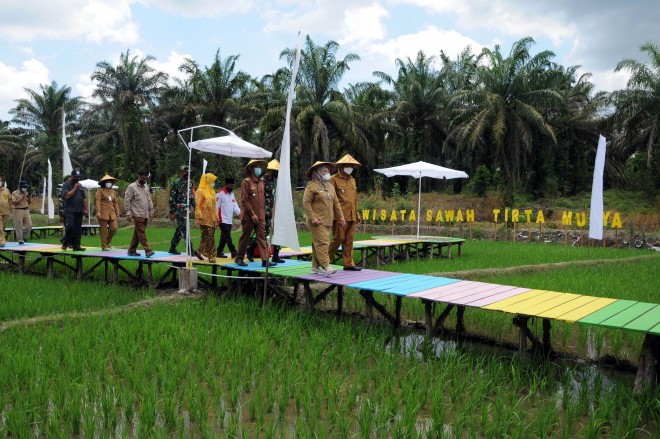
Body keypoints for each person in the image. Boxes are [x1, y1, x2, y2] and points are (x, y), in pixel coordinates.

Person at [302, 161, 345, 275]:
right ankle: (326, 266)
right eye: (325, 171)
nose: (328, 173)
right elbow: (306, 203)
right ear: (318, 173)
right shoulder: (311, 186)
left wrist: (341, 217)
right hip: (316, 221)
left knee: (318, 243)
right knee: (323, 243)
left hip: (328, 221)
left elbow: (336, 203)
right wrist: (312, 217)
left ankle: (315, 266)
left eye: (328, 171)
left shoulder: (330, 186)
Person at [235, 159, 277, 267]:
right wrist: (252, 214)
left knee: (262, 237)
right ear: (251, 168)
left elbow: (263, 201)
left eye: (259, 167)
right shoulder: (246, 182)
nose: (258, 169)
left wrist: (263, 214)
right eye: (256, 166)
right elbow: (245, 200)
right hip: (249, 216)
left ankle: (265, 260)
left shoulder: (261, 183)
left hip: (261, 215)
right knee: (245, 237)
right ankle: (239, 258)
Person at [328, 154, 363, 271]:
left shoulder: (353, 180)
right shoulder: (334, 179)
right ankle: (324, 261)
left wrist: (357, 213)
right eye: (348, 165)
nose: (350, 168)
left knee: (349, 240)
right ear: (342, 167)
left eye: (352, 166)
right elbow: (331, 198)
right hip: (340, 216)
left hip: (352, 215)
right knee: (338, 238)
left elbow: (355, 199)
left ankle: (348, 264)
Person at [124, 170, 155, 257]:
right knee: (141, 232)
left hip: (145, 213)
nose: (144, 180)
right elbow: (127, 200)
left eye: (146, 178)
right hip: (137, 213)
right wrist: (128, 213)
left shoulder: (146, 187)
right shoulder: (132, 187)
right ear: (139, 176)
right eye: (143, 178)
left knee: (138, 233)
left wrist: (151, 210)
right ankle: (147, 250)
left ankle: (131, 250)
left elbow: (149, 199)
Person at [168, 165, 195, 255]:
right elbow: (172, 199)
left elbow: (192, 197)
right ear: (181, 172)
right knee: (184, 229)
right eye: (185, 172)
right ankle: (190, 249)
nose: (187, 174)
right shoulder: (176, 183)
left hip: (187, 210)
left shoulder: (190, 183)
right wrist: (172, 212)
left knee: (180, 230)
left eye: (188, 172)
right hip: (179, 211)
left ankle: (172, 247)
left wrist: (196, 208)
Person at [60, 170, 89, 251]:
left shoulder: (80, 185)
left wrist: (85, 209)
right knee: (70, 227)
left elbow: (82, 198)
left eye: (79, 177)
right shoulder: (66, 185)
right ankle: (65, 242)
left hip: (79, 210)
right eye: (76, 177)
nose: (78, 178)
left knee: (78, 229)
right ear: (72, 176)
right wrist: (75, 188)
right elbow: (66, 196)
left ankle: (76, 246)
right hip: (70, 209)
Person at [194, 173, 218, 263]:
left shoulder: (212, 191)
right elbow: (197, 205)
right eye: (212, 181)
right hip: (204, 218)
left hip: (212, 219)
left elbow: (214, 206)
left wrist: (216, 217)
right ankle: (212, 256)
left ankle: (199, 251)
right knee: (210, 237)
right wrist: (198, 217)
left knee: (205, 237)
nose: (213, 183)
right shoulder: (201, 191)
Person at [215, 177, 240, 258]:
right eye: (230, 186)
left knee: (224, 237)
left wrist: (240, 213)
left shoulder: (232, 195)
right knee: (228, 237)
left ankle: (219, 252)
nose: (231, 187)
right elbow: (216, 207)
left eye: (233, 186)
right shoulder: (220, 194)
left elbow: (235, 205)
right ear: (226, 185)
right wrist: (217, 219)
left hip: (229, 219)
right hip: (222, 219)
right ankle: (233, 251)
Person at [95, 174, 120, 251]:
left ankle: (107, 242)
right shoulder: (99, 191)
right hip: (103, 212)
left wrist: (117, 212)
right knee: (103, 230)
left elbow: (115, 203)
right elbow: (98, 201)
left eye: (110, 182)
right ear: (104, 183)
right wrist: (98, 211)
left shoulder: (113, 192)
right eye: (108, 182)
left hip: (112, 213)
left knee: (114, 228)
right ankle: (104, 246)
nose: (109, 183)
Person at [11, 180, 32, 245]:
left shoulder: (26, 192)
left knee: (29, 225)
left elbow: (29, 203)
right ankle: (20, 240)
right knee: (19, 226)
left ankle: (22, 236)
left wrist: (28, 197)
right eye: (23, 187)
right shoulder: (14, 193)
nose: (24, 188)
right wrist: (22, 197)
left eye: (25, 187)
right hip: (18, 210)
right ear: (19, 187)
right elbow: (15, 203)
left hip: (26, 210)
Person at [0, 176, 11, 247]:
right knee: (0, 227)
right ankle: (2, 242)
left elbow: (10, 200)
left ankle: (1, 239)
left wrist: (13, 210)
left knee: (3, 228)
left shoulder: (6, 190)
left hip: (6, 212)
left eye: (1, 181)